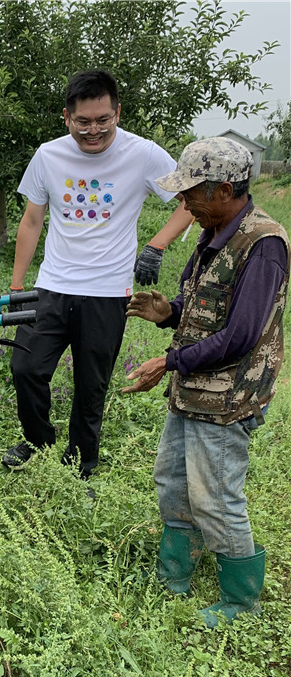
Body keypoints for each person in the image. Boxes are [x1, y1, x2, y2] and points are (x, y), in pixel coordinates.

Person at [123, 136, 289, 627]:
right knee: (173, 482)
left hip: (227, 399)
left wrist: (167, 363)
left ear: (222, 189)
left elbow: (240, 336)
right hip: (194, 393)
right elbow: (207, 312)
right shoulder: (214, 232)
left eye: (191, 192)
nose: (183, 202)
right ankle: (174, 572)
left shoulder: (263, 243)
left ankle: (241, 604)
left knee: (215, 496)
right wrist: (168, 313)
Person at [5, 70, 195, 493]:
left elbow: (189, 200)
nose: (94, 130)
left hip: (108, 293)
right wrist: (18, 289)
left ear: (117, 113)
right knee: (25, 367)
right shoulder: (49, 156)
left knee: (92, 383)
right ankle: (37, 442)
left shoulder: (143, 154)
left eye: (103, 120)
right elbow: (32, 220)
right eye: (84, 122)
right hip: (52, 285)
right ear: (66, 118)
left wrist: (157, 244)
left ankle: (82, 461)